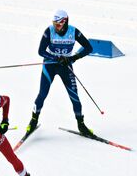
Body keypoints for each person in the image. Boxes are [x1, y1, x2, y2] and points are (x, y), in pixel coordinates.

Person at [25, 10, 93, 139]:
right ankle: (33, 121)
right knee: (42, 94)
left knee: (75, 97)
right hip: (50, 65)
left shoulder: (74, 32)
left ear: (65, 22)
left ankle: (81, 125)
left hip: (66, 67)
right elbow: (41, 51)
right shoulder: (49, 31)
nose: (56, 27)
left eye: (58, 25)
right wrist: (56, 57)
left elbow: (89, 48)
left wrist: (74, 58)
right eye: (54, 24)